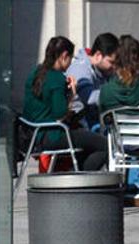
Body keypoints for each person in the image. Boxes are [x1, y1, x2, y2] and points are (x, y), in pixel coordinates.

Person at [23, 36, 108, 171]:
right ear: (64, 56)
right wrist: (72, 95)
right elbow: (60, 114)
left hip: (33, 134)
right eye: (70, 58)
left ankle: (75, 172)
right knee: (105, 145)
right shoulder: (57, 78)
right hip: (53, 135)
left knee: (87, 139)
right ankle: (81, 176)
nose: (70, 63)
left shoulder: (35, 73)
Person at [99, 35, 139, 203]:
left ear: (116, 60)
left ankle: (134, 192)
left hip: (121, 144)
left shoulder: (106, 90)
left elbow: (105, 120)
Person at [66, 32, 119, 129]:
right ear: (98, 55)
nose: (114, 67)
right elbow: (90, 97)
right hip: (79, 124)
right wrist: (117, 94)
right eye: (111, 62)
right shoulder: (80, 69)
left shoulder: (104, 70)